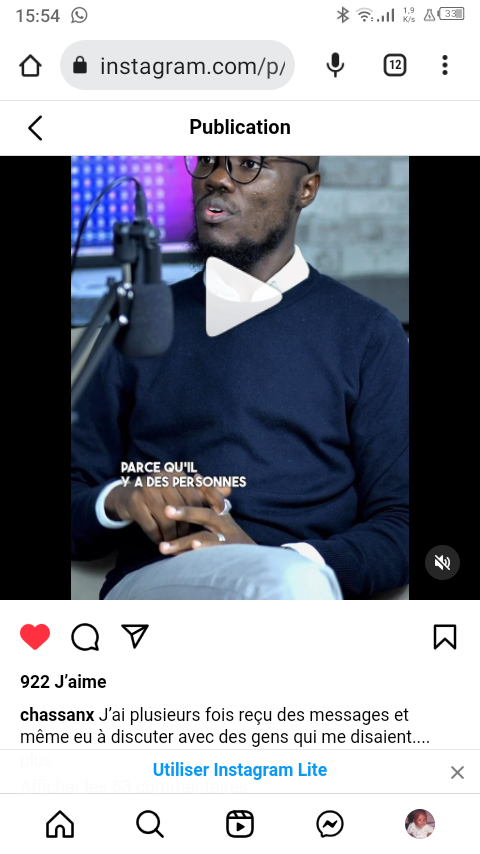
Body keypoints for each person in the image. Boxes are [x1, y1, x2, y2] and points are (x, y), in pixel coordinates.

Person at [71, 156, 409, 600]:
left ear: (306, 189)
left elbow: (401, 524)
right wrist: (119, 498)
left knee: (290, 583)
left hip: (304, 588)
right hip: (159, 583)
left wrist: (283, 560)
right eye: (209, 161)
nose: (216, 178)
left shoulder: (369, 333)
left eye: (249, 163)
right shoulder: (139, 323)